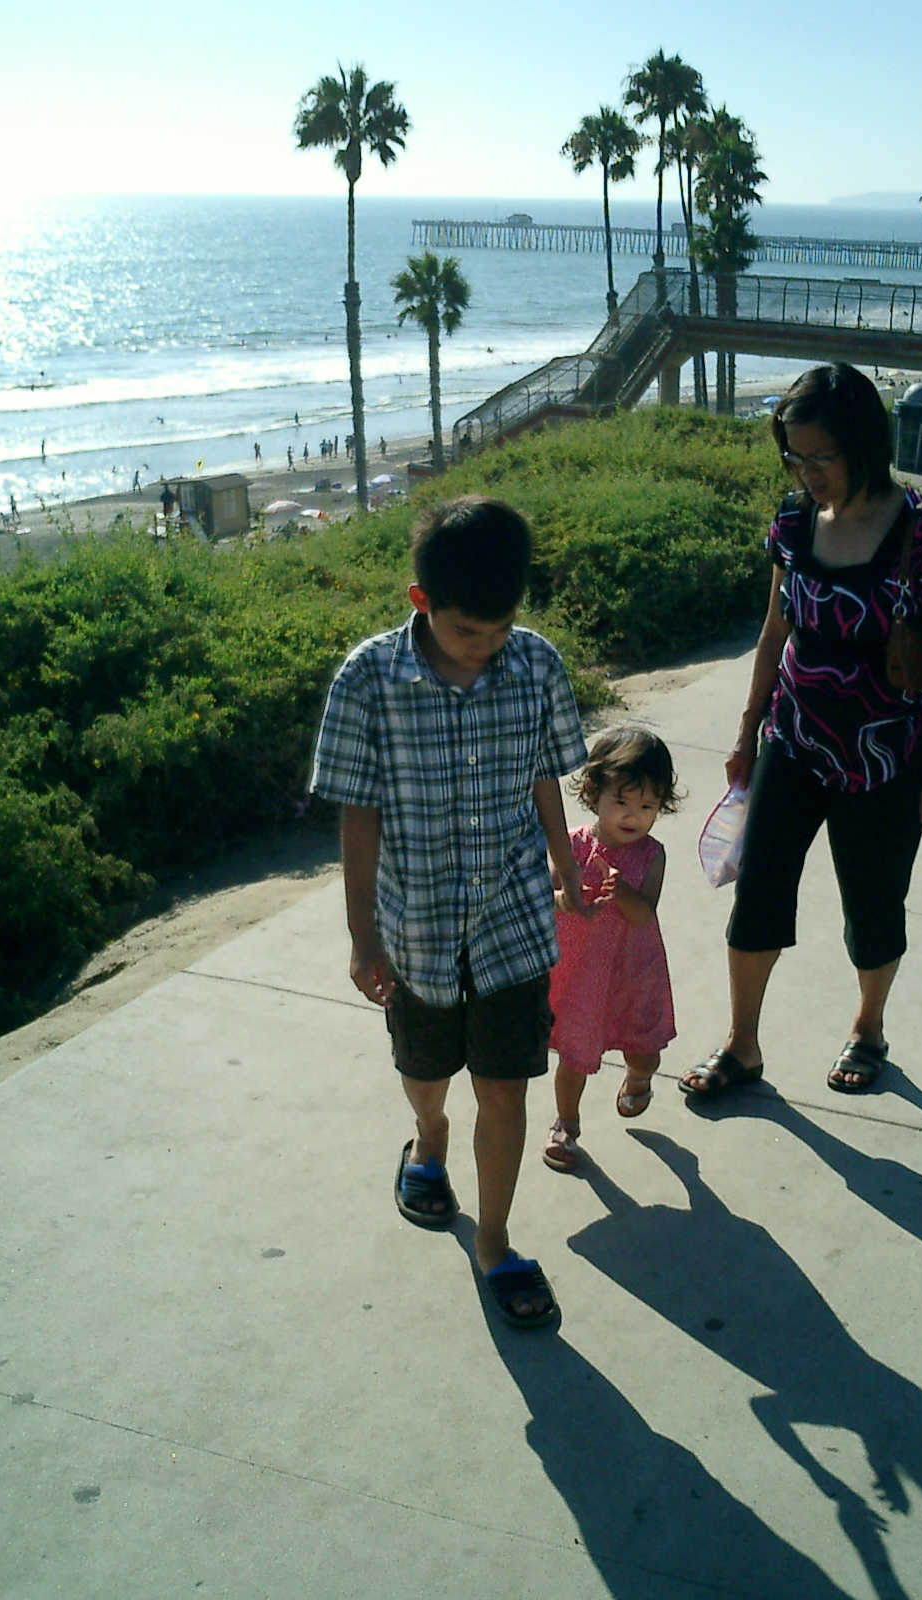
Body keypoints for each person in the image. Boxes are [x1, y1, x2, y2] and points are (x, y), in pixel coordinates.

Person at [310, 496, 588, 1328]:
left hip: (513, 921)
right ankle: (427, 1138)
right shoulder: (368, 680)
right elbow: (358, 814)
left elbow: (544, 772)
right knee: (426, 1072)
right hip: (417, 926)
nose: (487, 645)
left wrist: (565, 863)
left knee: (505, 1089)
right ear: (421, 599)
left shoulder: (535, 665)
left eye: (501, 629)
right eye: (469, 630)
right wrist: (363, 936)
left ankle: (494, 1243)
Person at [681, 363, 922, 1100]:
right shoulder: (792, 521)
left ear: (863, 445)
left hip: (886, 759)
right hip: (793, 742)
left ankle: (869, 1028)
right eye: (795, 456)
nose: (807, 473)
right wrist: (746, 733)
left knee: (873, 906)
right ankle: (742, 1044)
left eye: (822, 457)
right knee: (759, 893)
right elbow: (774, 630)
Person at [543, 727, 680, 1174]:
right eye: (622, 801)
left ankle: (639, 1077)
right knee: (575, 1054)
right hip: (580, 974)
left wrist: (621, 892)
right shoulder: (571, 845)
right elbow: (543, 894)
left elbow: (644, 914)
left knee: (643, 1049)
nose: (633, 816)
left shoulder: (652, 856)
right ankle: (566, 1124)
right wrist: (564, 897)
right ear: (593, 791)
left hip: (632, 975)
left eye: (647, 806)